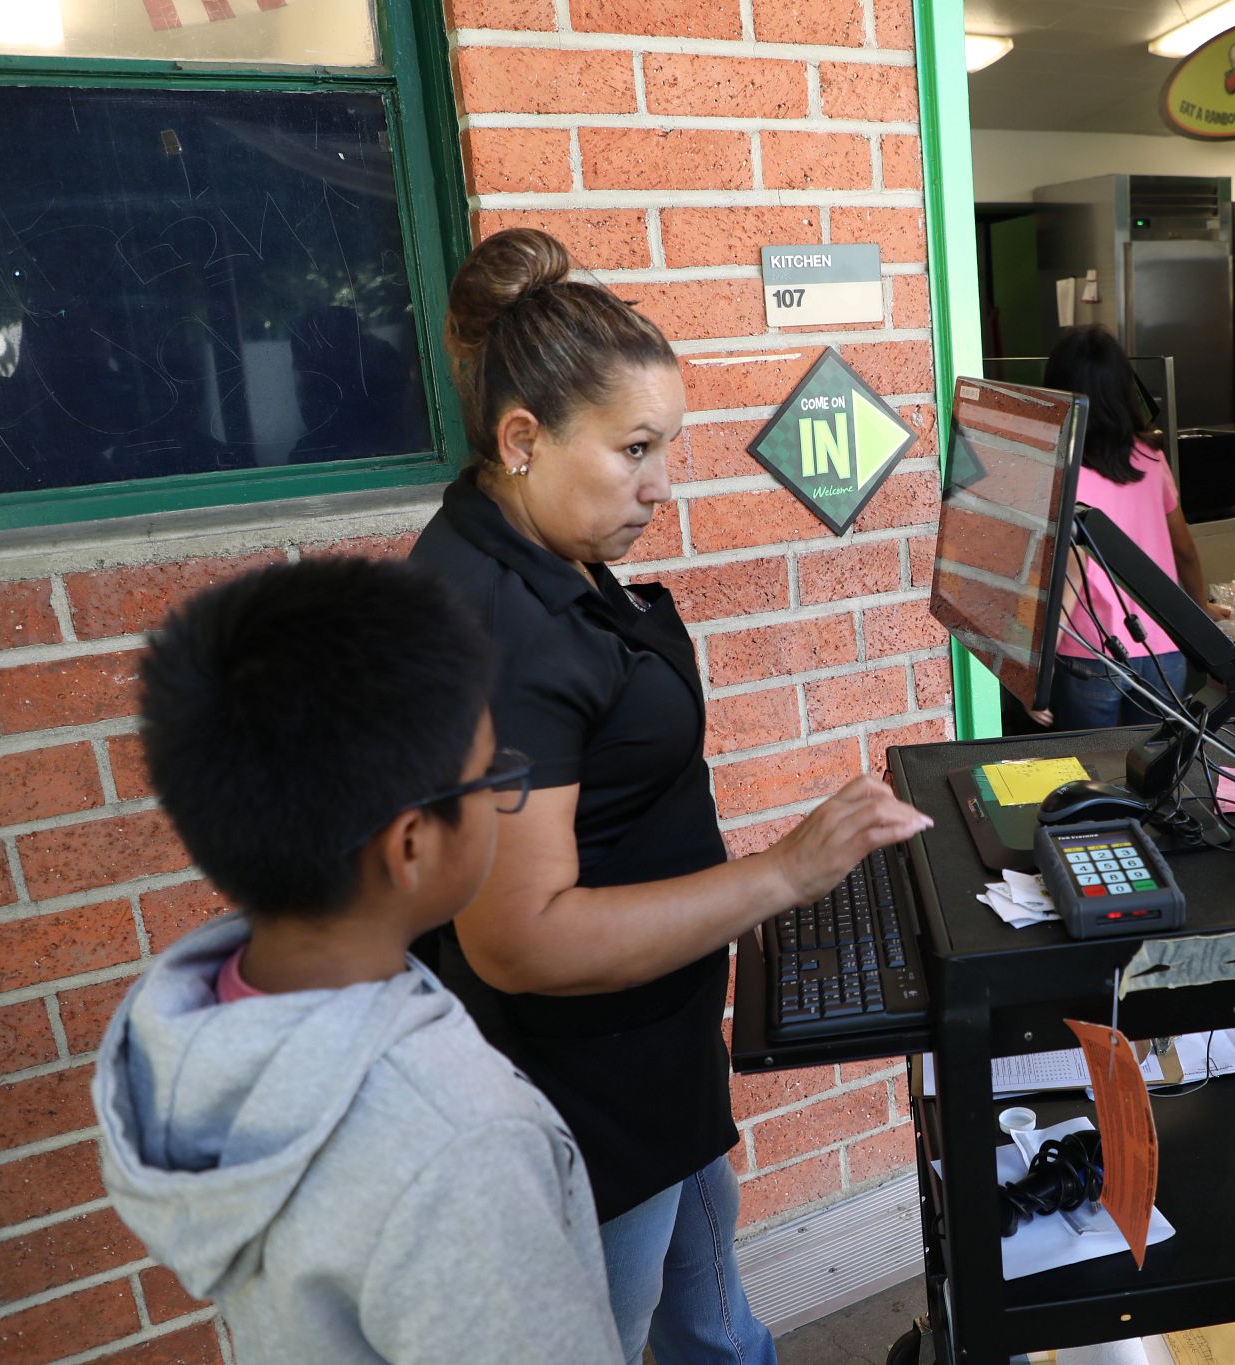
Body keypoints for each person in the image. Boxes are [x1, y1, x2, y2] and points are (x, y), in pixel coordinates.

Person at [409, 228, 933, 1364]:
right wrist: (783, 876)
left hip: (655, 1055)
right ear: (521, 438)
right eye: (635, 449)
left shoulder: (533, 541)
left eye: (668, 447)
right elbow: (521, 940)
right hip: (580, 1088)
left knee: (708, 1305)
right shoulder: (500, 624)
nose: (659, 485)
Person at [93, 557, 620, 1363]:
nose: (500, 794)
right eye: (490, 777)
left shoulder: (195, 1027)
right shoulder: (459, 1149)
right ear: (410, 844)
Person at [1035, 324, 1228, 730]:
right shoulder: (1150, 458)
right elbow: (1185, 549)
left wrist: (1036, 673)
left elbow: (1068, 570)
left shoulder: (1058, 469)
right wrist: (1199, 609)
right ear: (1124, 389)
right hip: (1161, 649)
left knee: (1092, 774)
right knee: (1155, 772)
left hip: (1087, 653)